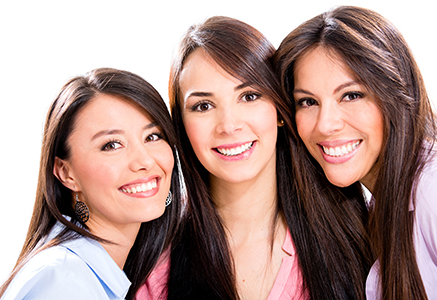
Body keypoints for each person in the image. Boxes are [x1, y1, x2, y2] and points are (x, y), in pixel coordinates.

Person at [139, 16, 370, 300]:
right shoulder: (157, 262)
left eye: (249, 96)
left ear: (280, 109)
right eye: (203, 105)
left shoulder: (356, 227)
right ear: (182, 126)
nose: (229, 125)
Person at [274, 5, 437, 300]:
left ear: (396, 94)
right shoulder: (377, 208)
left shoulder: (431, 188)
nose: (326, 125)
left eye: (351, 95)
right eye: (308, 102)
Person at [0, 68, 182, 300]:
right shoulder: (62, 281)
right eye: (112, 145)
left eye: (152, 136)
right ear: (65, 173)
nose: (144, 161)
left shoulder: (93, 272)